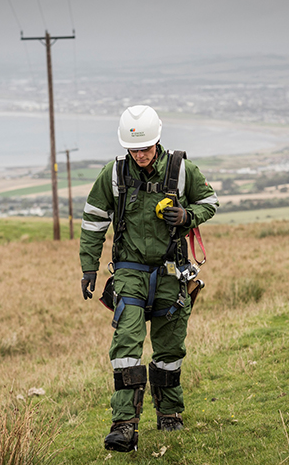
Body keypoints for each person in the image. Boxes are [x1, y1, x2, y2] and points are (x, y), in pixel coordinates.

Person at [79, 105, 218, 452]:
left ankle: (169, 414)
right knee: (126, 345)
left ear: (157, 141)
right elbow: (94, 221)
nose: (140, 155)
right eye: (134, 149)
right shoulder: (113, 175)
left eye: (145, 148)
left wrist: (188, 214)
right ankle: (124, 425)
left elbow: (210, 201)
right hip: (129, 271)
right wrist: (88, 268)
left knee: (169, 348)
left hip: (172, 271)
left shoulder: (182, 170)